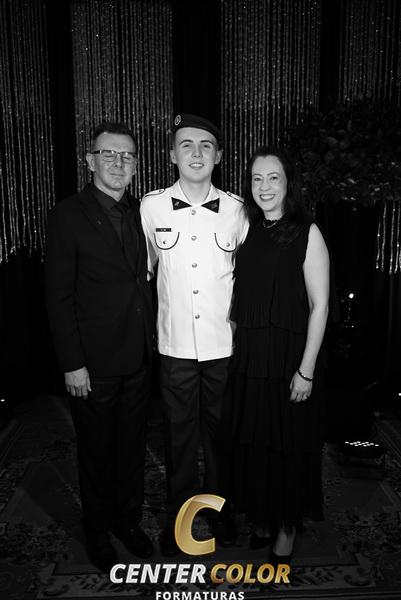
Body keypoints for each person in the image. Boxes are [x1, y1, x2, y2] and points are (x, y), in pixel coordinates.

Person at [45, 122, 154, 571]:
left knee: (132, 449)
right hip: (93, 363)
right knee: (96, 452)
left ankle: (128, 522)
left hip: (139, 357)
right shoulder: (67, 215)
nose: (118, 163)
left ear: (135, 165)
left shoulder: (142, 211)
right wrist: (72, 364)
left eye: (127, 156)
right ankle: (97, 529)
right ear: (89, 161)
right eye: (109, 154)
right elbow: (58, 297)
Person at [140, 114, 249, 556]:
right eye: (187, 145)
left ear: (219, 156)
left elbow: (249, 279)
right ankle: (180, 524)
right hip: (176, 348)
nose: (197, 153)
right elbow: (143, 274)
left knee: (222, 439)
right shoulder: (150, 208)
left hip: (225, 346)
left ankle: (222, 515)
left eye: (206, 145)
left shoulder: (239, 210)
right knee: (179, 440)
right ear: (172, 155)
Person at [222, 145, 329, 562]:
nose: (264, 187)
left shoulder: (308, 232)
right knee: (257, 441)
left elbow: (320, 305)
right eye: (256, 179)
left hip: (289, 359)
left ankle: (287, 524)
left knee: (288, 444)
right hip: (251, 358)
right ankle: (264, 515)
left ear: (288, 183)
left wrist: (306, 370)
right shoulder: (249, 228)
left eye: (273, 178)